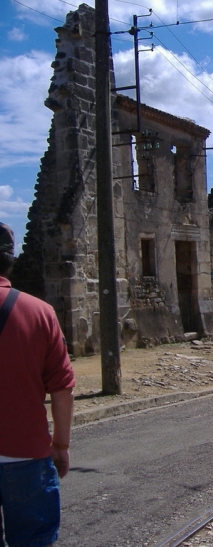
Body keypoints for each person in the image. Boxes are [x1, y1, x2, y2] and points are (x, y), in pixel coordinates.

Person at [0, 222, 75, 547]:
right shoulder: (40, 313)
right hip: (25, 455)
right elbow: (62, 390)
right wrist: (60, 445)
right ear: (10, 261)